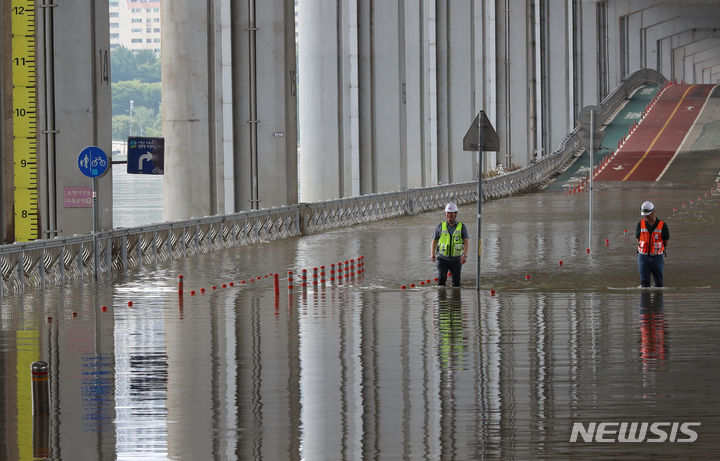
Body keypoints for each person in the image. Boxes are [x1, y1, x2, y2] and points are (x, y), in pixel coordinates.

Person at [430, 203, 469, 287]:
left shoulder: (462, 226)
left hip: (456, 260)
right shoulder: (440, 226)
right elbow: (434, 240)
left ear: (456, 214)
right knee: (441, 280)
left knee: (456, 283)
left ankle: (455, 299)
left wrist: (464, 256)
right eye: (447, 212)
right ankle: (441, 299)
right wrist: (432, 254)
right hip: (442, 259)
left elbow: (466, 241)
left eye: (451, 213)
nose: (449, 215)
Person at [636, 201, 669, 287]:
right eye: (644, 215)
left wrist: (658, 249)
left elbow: (666, 241)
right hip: (643, 258)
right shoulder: (640, 224)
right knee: (644, 284)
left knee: (659, 284)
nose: (646, 217)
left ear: (654, 212)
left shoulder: (663, 225)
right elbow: (638, 239)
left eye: (648, 215)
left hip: (657, 258)